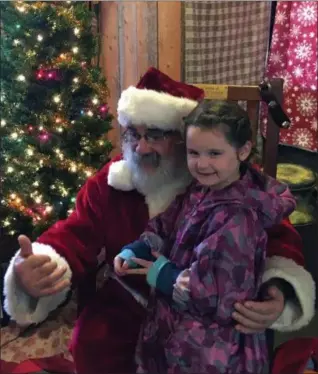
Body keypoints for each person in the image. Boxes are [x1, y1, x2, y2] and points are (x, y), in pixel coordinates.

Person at [3, 67, 315, 374]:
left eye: (154, 135)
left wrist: (278, 290)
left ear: (181, 138)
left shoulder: (224, 179)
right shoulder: (113, 181)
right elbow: (76, 233)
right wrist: (40, 267)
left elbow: (279, 235)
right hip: (132, 299)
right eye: (134, 134)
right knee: (92, 339)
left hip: (212, 311)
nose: (140, 147)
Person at [114, 99, 297, 373]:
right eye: (194, 153)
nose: (201, 164)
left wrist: (163, 274)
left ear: (243, 151)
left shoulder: (239, 216)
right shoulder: (201, 189)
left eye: (214, 153)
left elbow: (220, 298)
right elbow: (167, 224)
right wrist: (139, 247)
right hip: (182, 339)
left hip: (214, 353)